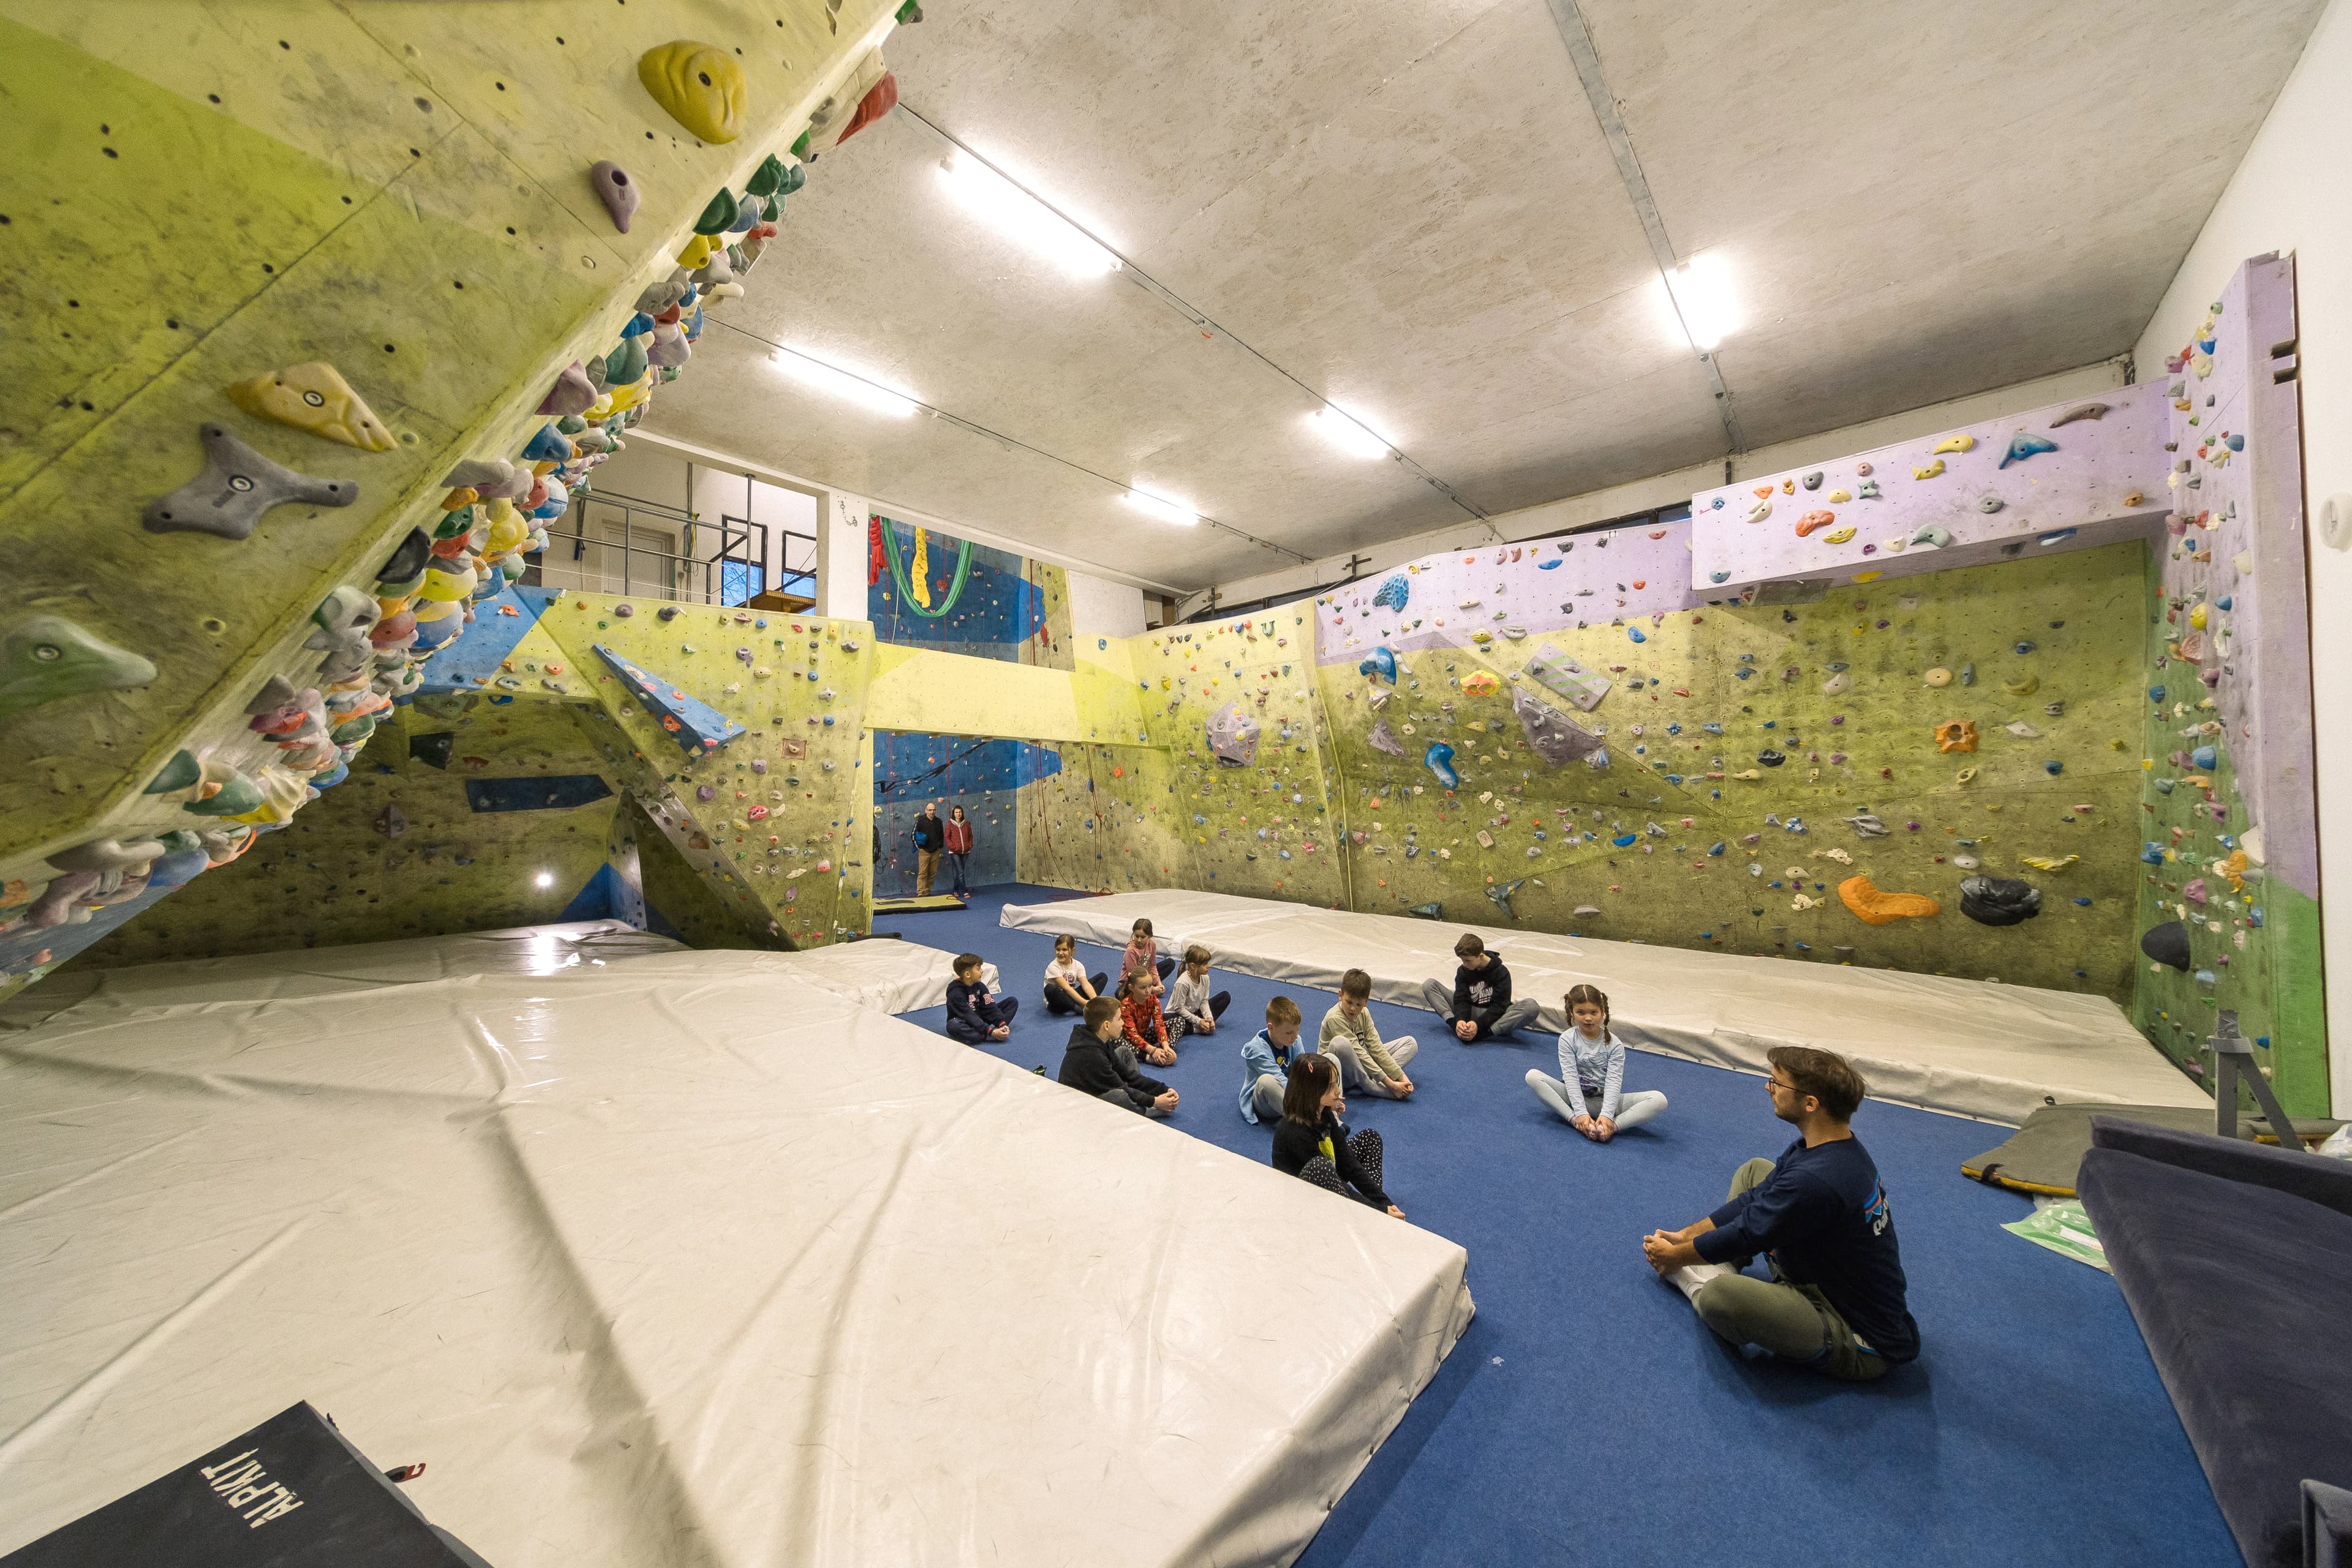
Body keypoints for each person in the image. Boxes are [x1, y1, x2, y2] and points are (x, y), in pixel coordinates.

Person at [1640, 1046, 1919, 1382]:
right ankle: (1718, 1267)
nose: (1768, 1088)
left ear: (1810, 1103)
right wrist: (1686, 1237)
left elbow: (1748, 1232)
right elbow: (1757, 1198)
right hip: (1813, 1271)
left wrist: (1676, 1259)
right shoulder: (1829, 1148)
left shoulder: (1815, 1180)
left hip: (1854, 1334)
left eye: (1776, 1083)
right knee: (1755, 1171)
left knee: (1720, 1298)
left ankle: (1704, 1278)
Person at [1271, 1055, 1404, 1219]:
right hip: (1303, 1201)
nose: (1338, 1091)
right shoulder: (1293, 1132)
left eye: (1336, 1084)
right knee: (1319, 1167)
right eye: (1331, 1086)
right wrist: (1378, 1212)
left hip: (1330, 1179)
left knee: (1370, 1139)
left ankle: (1372, 1210)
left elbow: (1348, 1161)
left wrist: (1384, 1203)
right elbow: (1325, 1176)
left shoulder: (1325, 1114)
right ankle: (1369, 1213)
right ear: (1312, 1091)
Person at [1526, 983, 1665, 1138]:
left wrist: (1607, 1115)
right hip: (1575, 1097)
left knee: (1659, 1100)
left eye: (1593, 1012)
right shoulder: (1567, 1039)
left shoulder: (1614, 1044)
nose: (1588, 1018)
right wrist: (1580, 1114)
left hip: (1605, 1100)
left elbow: (1614, 1082)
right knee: (1533, 1076)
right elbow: (1571, 1078)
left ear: (1603, 1012)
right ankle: (1577, 1122)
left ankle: (1611, 1127)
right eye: (1581, 1012)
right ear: (1571, 1012)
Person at [1059, 995, 1177, 1116]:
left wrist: (1162, 1089)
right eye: (1119, 1019)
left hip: (1096, 1082)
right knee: (1120, 1095)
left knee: (1125, 1052)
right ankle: (1143, 1111)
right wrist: (1155, 1102)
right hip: (1080, 1103)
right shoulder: (1093, 1056)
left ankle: (1140, 1099)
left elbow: (1129, 1076)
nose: (1123, 1023)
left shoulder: (1100, 1038)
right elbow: (1121, 1087)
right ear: (1106, 1025)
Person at [1420, 932, 1538, 1042]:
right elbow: (1461, 999)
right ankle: (1457, 1027)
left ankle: (1486, 1033)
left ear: (1481, 956)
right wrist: (1460, 1021)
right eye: (1462, 960)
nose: (1464, 964)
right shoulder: (1463, 971)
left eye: (1468, 961)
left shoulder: (1501, 972)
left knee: (1531, 1006)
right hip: (1471, 1011)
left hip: (1495, 1018)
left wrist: (1478, 1026)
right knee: (1429, 985)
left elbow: (1500, 1006)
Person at [1319, 968, 1418, 1099]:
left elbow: (1377, 1048)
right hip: (1339, 1074)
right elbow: (1359, 1052)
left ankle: (1373, 1079)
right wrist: (1391, 1085)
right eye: (1349, 1002)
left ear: (1366, 1002)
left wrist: (1402, 1078)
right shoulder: (1334, 1018)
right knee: (1340, 1043)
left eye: (1359, 1004)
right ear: (1340, 995)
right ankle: (1372, 1086)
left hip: (1358, 1067)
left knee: (1410, 1043)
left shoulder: (1364, 1013)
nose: (1353, 1008)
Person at [1238, 995, 1311, 1124]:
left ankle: (1333, 1117)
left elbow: (1303, 1069)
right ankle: (1306, 1120)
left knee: (1327, 1062)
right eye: (1289, 1033)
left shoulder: (1295, 1039)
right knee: (1267, 1081)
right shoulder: (1257, 1049)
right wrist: (1308, 1099)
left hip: (1292, 1094)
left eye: (1297, 1030)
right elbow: (1280, 1080)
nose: (1295, 1036)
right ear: (1271, 1027)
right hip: (1267, 1102)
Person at [944, 952, 1017, 1044]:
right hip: (964, 1021)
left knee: (1012, 1002)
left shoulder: (980, 986)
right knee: (952, 1026)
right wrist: (991, 1032)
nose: (982, 971)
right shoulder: (955, 992)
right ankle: (985, 1034)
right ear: (967, 975)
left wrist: (1002, 1023)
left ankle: (994, 1031)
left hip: (980, 1016)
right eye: (978, 969)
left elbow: (990, 1007)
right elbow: (967, 1015)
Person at [1163, 945, 1231, 1041]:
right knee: (1164, 1019)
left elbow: (1204, 1002)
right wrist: (1199, 1022)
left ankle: (1204, 1025)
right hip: (1179, 1015)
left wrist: (1209, 1018)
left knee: (1225, 997)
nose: (1208, 966)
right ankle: (1196, 1029)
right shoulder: (1183, 983)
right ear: (1193, 966)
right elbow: (1179, 1009)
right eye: (1204, 964)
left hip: (1194, 1013)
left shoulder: (1205, 978)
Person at [1118, 968, 1177, 1068]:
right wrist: (1152, 1050)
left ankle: (1165, 1053)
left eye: (1150, 986)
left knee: (1178, 1021)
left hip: (1145, 1035)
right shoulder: (1126, 1005)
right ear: (1132, 988)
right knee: (1115, 1041)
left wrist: (1165, 1045)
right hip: (1130, 1040)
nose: (1148, 991)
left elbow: (1159, 1024)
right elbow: (1132, 1034)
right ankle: (1146, 1057)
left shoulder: (1153, 1000)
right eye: (1143, 988)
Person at [1042, 933, 1106, 1016]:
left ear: (1073, 951)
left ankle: (1084, 1005)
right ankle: (1078, 1009)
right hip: (1057, 1003)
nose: (1060, 953)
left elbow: (1086, 984)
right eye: (1058, 950)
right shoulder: (1053, 967)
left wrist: (1095, 1001)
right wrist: (1086, 1003)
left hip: (1071, 996)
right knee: (1050, 989)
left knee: (1102, 977)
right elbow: (1067, 989)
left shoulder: (1078, 965)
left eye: (1064, 950)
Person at [1118, 916, 1178, 990]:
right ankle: (1148, 988)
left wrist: (1159, 983)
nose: (1139, 940)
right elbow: (1134, 975)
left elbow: (1152, 966)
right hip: (1132, 980)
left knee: (1170, 963)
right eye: (1137, 936)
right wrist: (1152, 989)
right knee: (1120, 993)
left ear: (1149, 936)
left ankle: (1148, 987)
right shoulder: (1131, 950)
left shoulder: (1152, 944)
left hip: (1146, 976)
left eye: (1143, 937)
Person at [911, 802, 947, 897]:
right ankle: (920, 891)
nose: (932, 812)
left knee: (933, 872)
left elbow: (941, 835)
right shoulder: (920, 820)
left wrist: (940, 846)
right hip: (924, 851)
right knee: (923, 872)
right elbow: (913, 834)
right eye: (930, 810)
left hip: (935, 851)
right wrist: (919, 848)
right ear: (926, 810)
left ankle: (927, 890)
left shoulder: (938, 821)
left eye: (934, 810)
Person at [944, 805, 973, 900]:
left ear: (962, 813)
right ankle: (964, 891)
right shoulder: (950, 824)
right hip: (954, 852)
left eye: (960, 812)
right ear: (954, 814)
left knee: (958, 872)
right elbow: (947, 837)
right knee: (960, 872)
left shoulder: (967, 824)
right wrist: (953, 847)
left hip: (965, 851)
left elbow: (970, 836)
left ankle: (955, 890)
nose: (958, 814)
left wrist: (970, 845)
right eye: (956, 812)